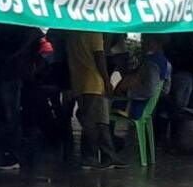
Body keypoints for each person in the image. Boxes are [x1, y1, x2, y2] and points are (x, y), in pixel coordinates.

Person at [0, 24, 42, 170]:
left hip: (10, 75)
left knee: (11, 116)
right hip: (23, 76)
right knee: (19, 116)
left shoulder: (11, 31)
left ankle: (12, 155)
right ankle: (23, 154)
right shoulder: (30, 31)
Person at [67, 30, 115, 168]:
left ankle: (107, 156)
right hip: (93, 82)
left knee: (94, 120)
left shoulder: (72, 33)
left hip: (78, 82)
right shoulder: (94, 33)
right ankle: (89, 157)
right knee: (93, 123)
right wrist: (107, 81)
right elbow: (99, 56)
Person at [115, 34, 173, 120]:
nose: (142, 43)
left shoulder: (151, 64)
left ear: (155, 43)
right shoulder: (167, 64)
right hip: (148, 108)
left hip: (133, 108)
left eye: (145, 40)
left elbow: (148, 89)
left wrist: (126, 90)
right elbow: (165, 90)